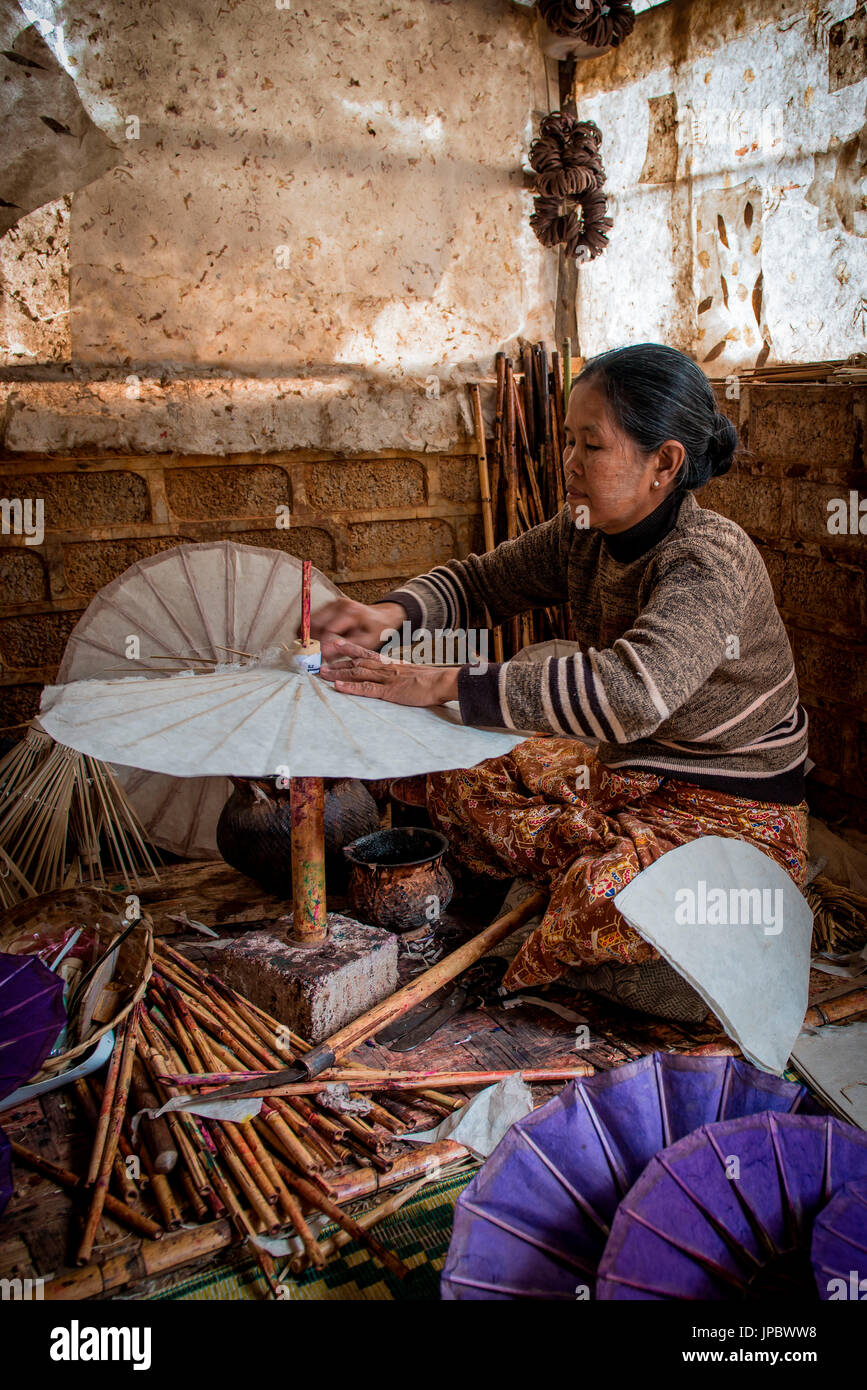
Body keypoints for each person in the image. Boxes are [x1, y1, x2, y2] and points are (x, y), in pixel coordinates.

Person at [312, 344, 809, 1011]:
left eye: (591, 446)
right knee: (459, 773)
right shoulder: (585, 529)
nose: (568, 463)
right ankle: (557, 893)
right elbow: (484, 582)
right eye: (566, 442)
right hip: (625, 778)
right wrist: (388, 614)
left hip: (730, 810)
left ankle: (573, 905)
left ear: (664, 462)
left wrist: (436, 683)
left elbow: (631, 695)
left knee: (616, 902)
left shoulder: (707, 560)